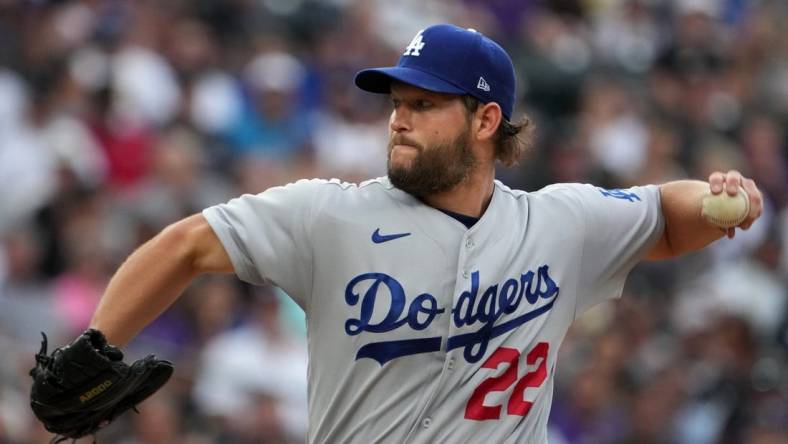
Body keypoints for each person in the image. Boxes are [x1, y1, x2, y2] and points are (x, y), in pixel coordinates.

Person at [87, 24, 763, 443]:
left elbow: (663, 217)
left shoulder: (558, 224)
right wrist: (95, 348)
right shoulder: (330, 215)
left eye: (424, 105)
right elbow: (184, 245)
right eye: (397, 104)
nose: (398, 120)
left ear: (486, 119)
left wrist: (717, 197)